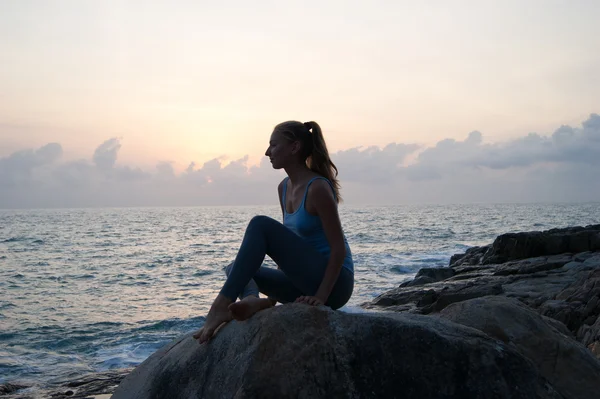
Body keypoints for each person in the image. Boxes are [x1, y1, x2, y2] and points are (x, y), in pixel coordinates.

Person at [193, 120, 354, 344]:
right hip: (303, 282)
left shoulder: (317, 188)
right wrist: (276, 291)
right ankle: (254, 300)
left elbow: (338, 250)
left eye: (273, 145)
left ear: (294, 147)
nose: (267, 152)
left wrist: (320, 298)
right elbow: (288, 249)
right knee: (235, 268)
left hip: (335, 285)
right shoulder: (284, 187)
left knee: (260, 225)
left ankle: (220, 306)